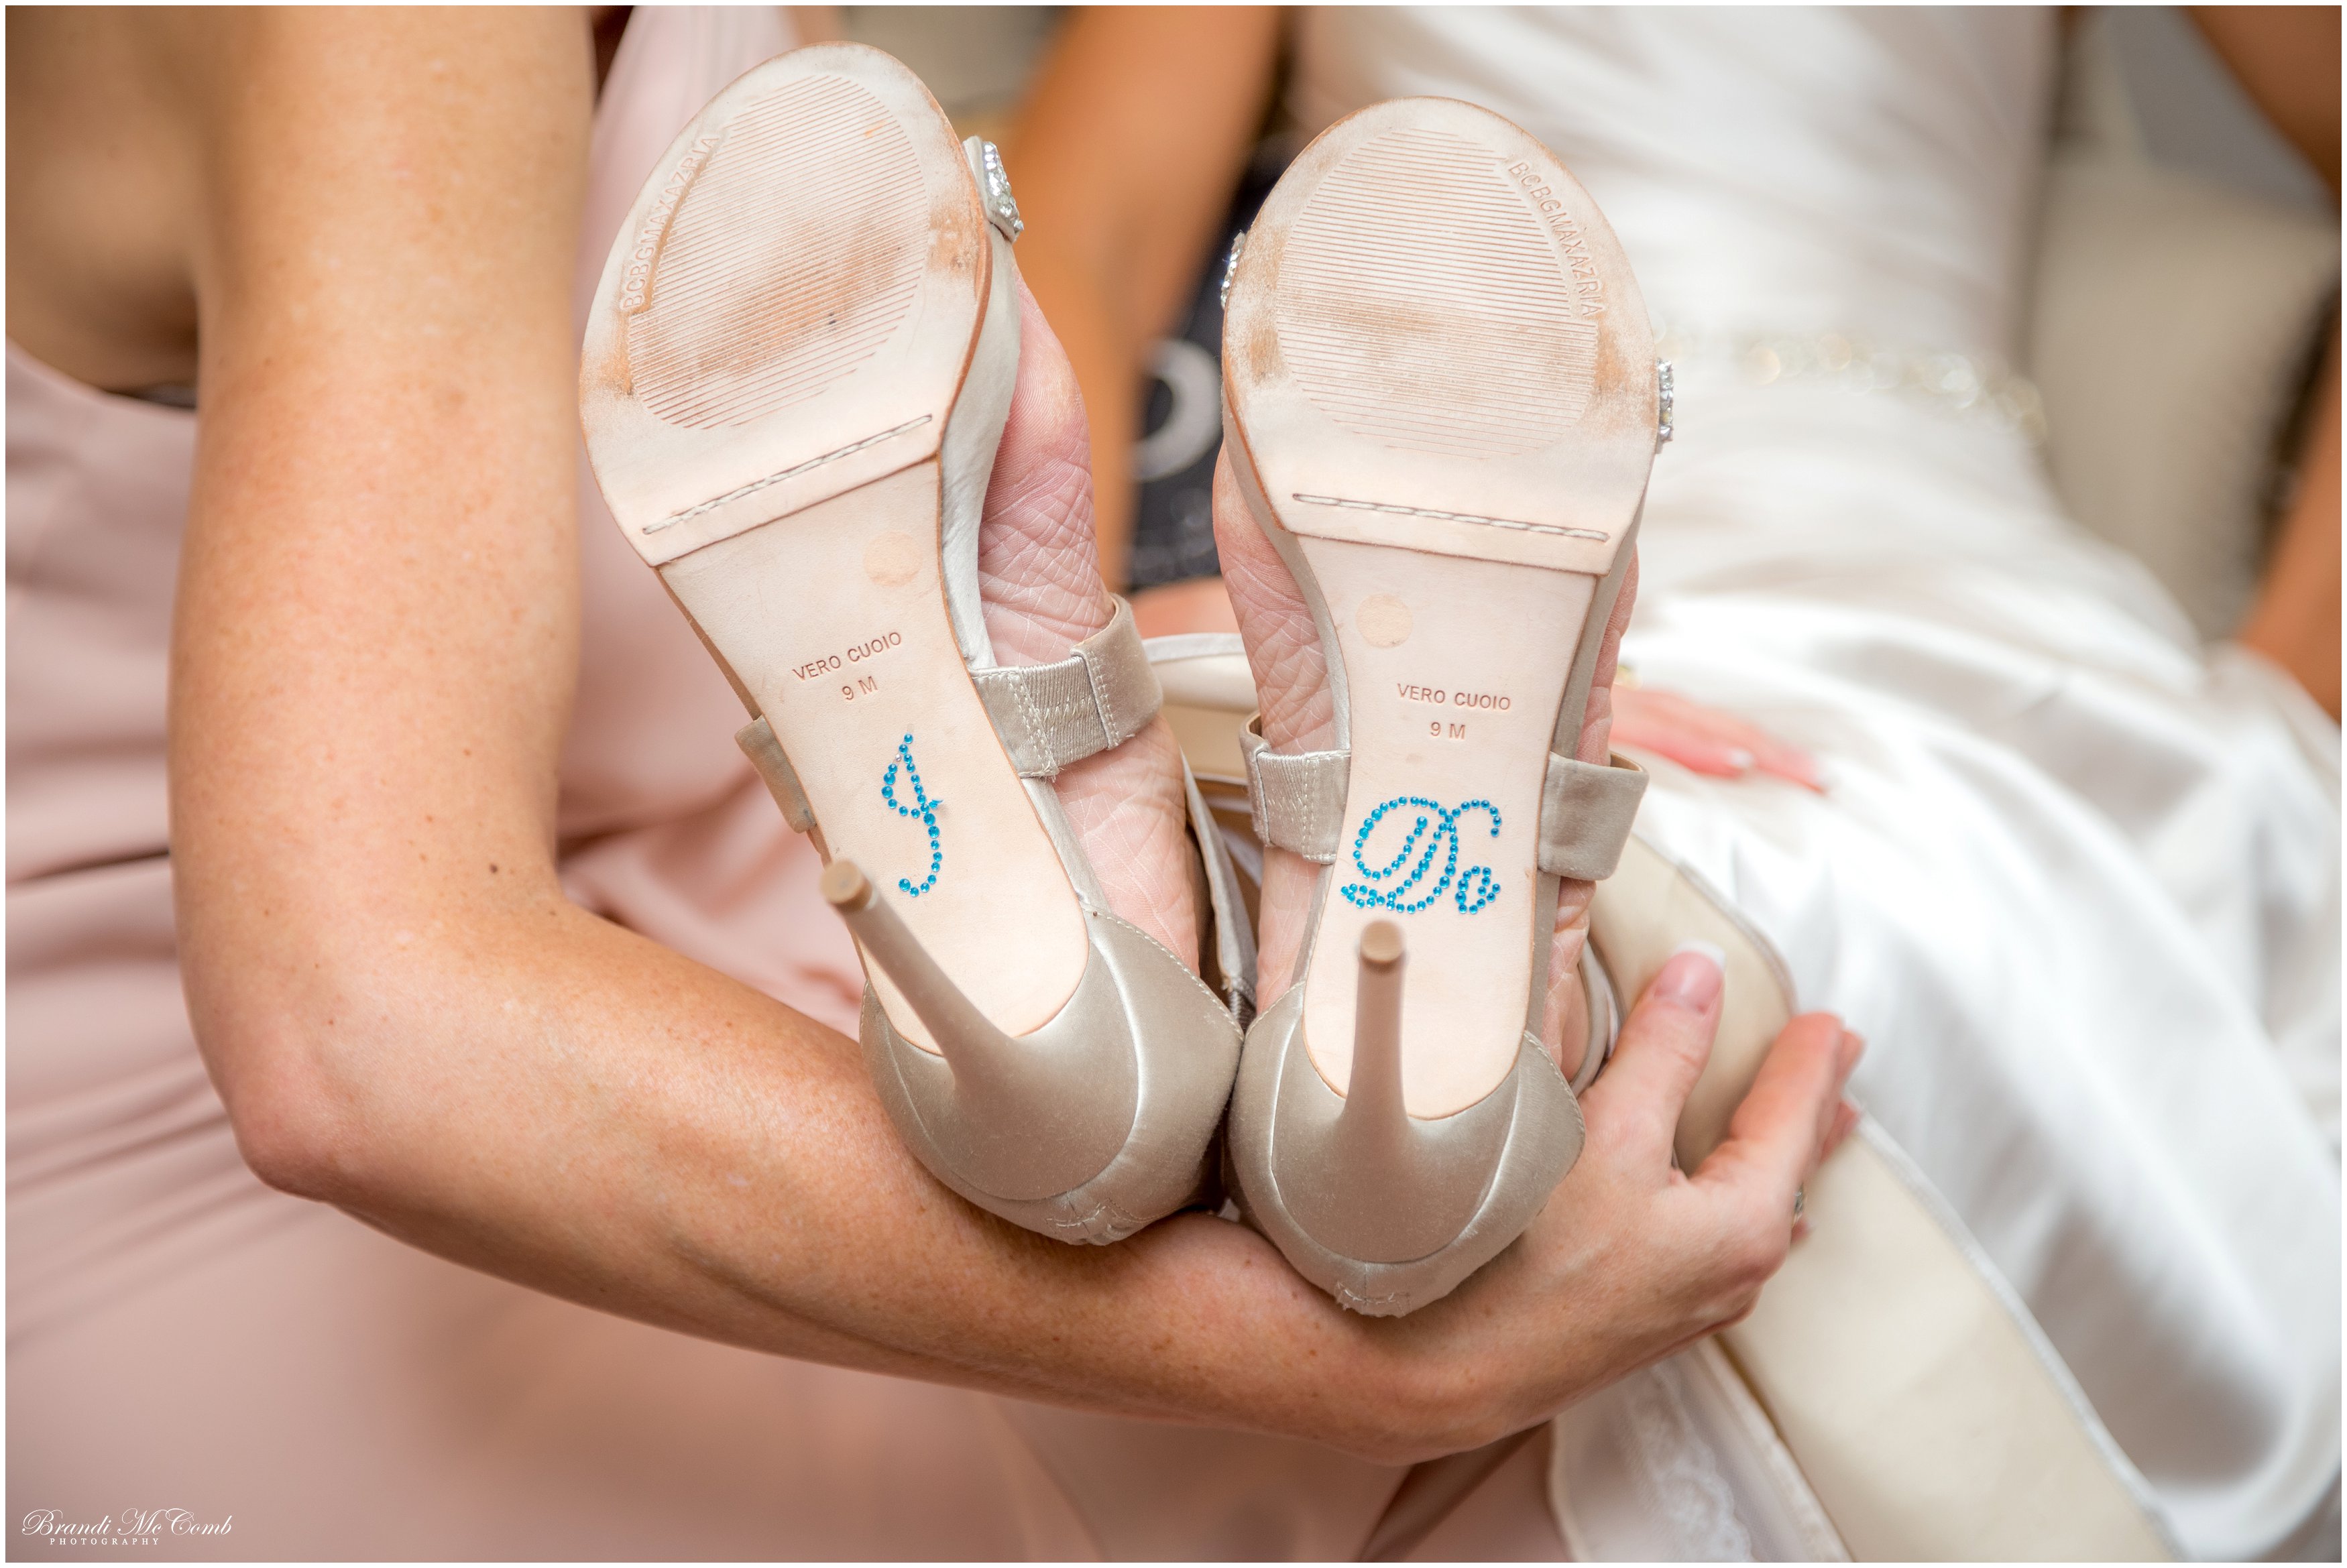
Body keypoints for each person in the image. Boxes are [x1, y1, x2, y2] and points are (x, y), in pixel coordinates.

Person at [8, 9, 1857, 1558]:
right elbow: (357, 1047)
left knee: (1396, 1178)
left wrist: (1120, 635)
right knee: (1509, 1264)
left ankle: (1130, 965)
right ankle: (1400, 1067)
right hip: (327, 1178)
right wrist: (1332, 1362)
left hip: (695, 900)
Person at [1011, 7, 2342, 1558]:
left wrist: (2294, 670)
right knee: (1719, 885)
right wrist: (1102, 615)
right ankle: (1458, 987)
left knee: (1755, 876)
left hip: (1922, 591)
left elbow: (1087, 228)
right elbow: (1092, 236)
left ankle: (1350, 1022)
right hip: (1442, 540)